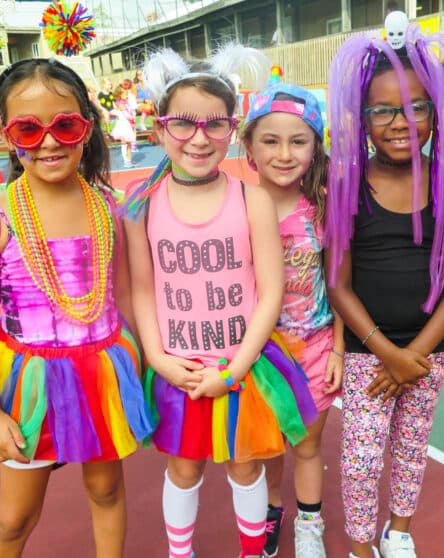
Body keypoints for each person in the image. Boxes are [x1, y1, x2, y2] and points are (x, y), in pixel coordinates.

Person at [122, 45, 318, 558]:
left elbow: (271, 292)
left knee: (245, 464)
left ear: (232, 128)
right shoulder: (142, 206)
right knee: (183, 468)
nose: (199, 138)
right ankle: (179, 553)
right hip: (178, 368)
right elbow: (142, 289)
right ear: (160, 127)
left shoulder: (251, 199)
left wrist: (233, 369)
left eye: (215, 125)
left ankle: (252, 552)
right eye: (183, 124)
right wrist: (160, 359)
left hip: (242, 367)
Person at [0, 58, 154, 557]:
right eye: (28, 129)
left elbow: (129, 295)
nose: (49, 142)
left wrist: (153, 363)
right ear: (8, 136)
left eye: (64, 125)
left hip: (102, 375)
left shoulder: (108, 208)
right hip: (29, 384)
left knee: (107, 491)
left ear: (86, 128)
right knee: (14, 517)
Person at [325, 18, 444, 558]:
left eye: (416, 107)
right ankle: (362, 546)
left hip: (429, 353)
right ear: (362, 119)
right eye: (382, 110)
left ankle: (399, 533)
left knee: (412, 447)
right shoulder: (346, 186)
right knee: (362, 457)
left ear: (434, 112)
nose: (400, 123)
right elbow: (338, 284)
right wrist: (388, 352)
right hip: (371, 354)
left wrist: (415, 353)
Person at [241, 83, 343, 558]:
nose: (284, 154)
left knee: (305, 446)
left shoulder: (324, 210)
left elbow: (340, 285)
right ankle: (270, 513)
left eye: (298, 141)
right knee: (265, 448)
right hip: (257, 357)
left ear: (315, 146)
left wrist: (340, 348)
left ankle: (309, 526)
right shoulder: (236, 210)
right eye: (271, 140)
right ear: (249, 148)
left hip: (316, 351)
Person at [111, 82, 137, 168]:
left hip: (128, 124)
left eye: (127, 93)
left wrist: (132, 118)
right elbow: (125, 114)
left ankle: (129, 160)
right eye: (125, 94)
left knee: (129, 143)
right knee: (125, 143)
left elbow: (130, 111)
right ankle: (126, 161)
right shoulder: (120, 103)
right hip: (123, 125)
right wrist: (131, 117)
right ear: (119, 95)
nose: (127, 95)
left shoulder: (126, 102)